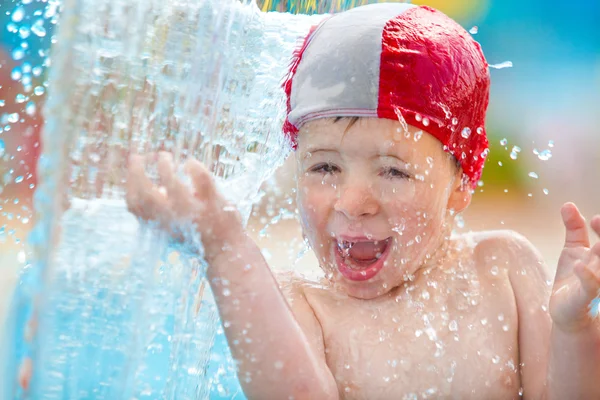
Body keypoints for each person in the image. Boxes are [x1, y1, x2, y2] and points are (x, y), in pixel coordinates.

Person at [27, 3, 600, 399]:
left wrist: (574, 330)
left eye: (393, 172)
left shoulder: (503, 269)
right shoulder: (302, 305)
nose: (354, 201)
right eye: (324, 166)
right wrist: (226, 248)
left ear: (460, 186)